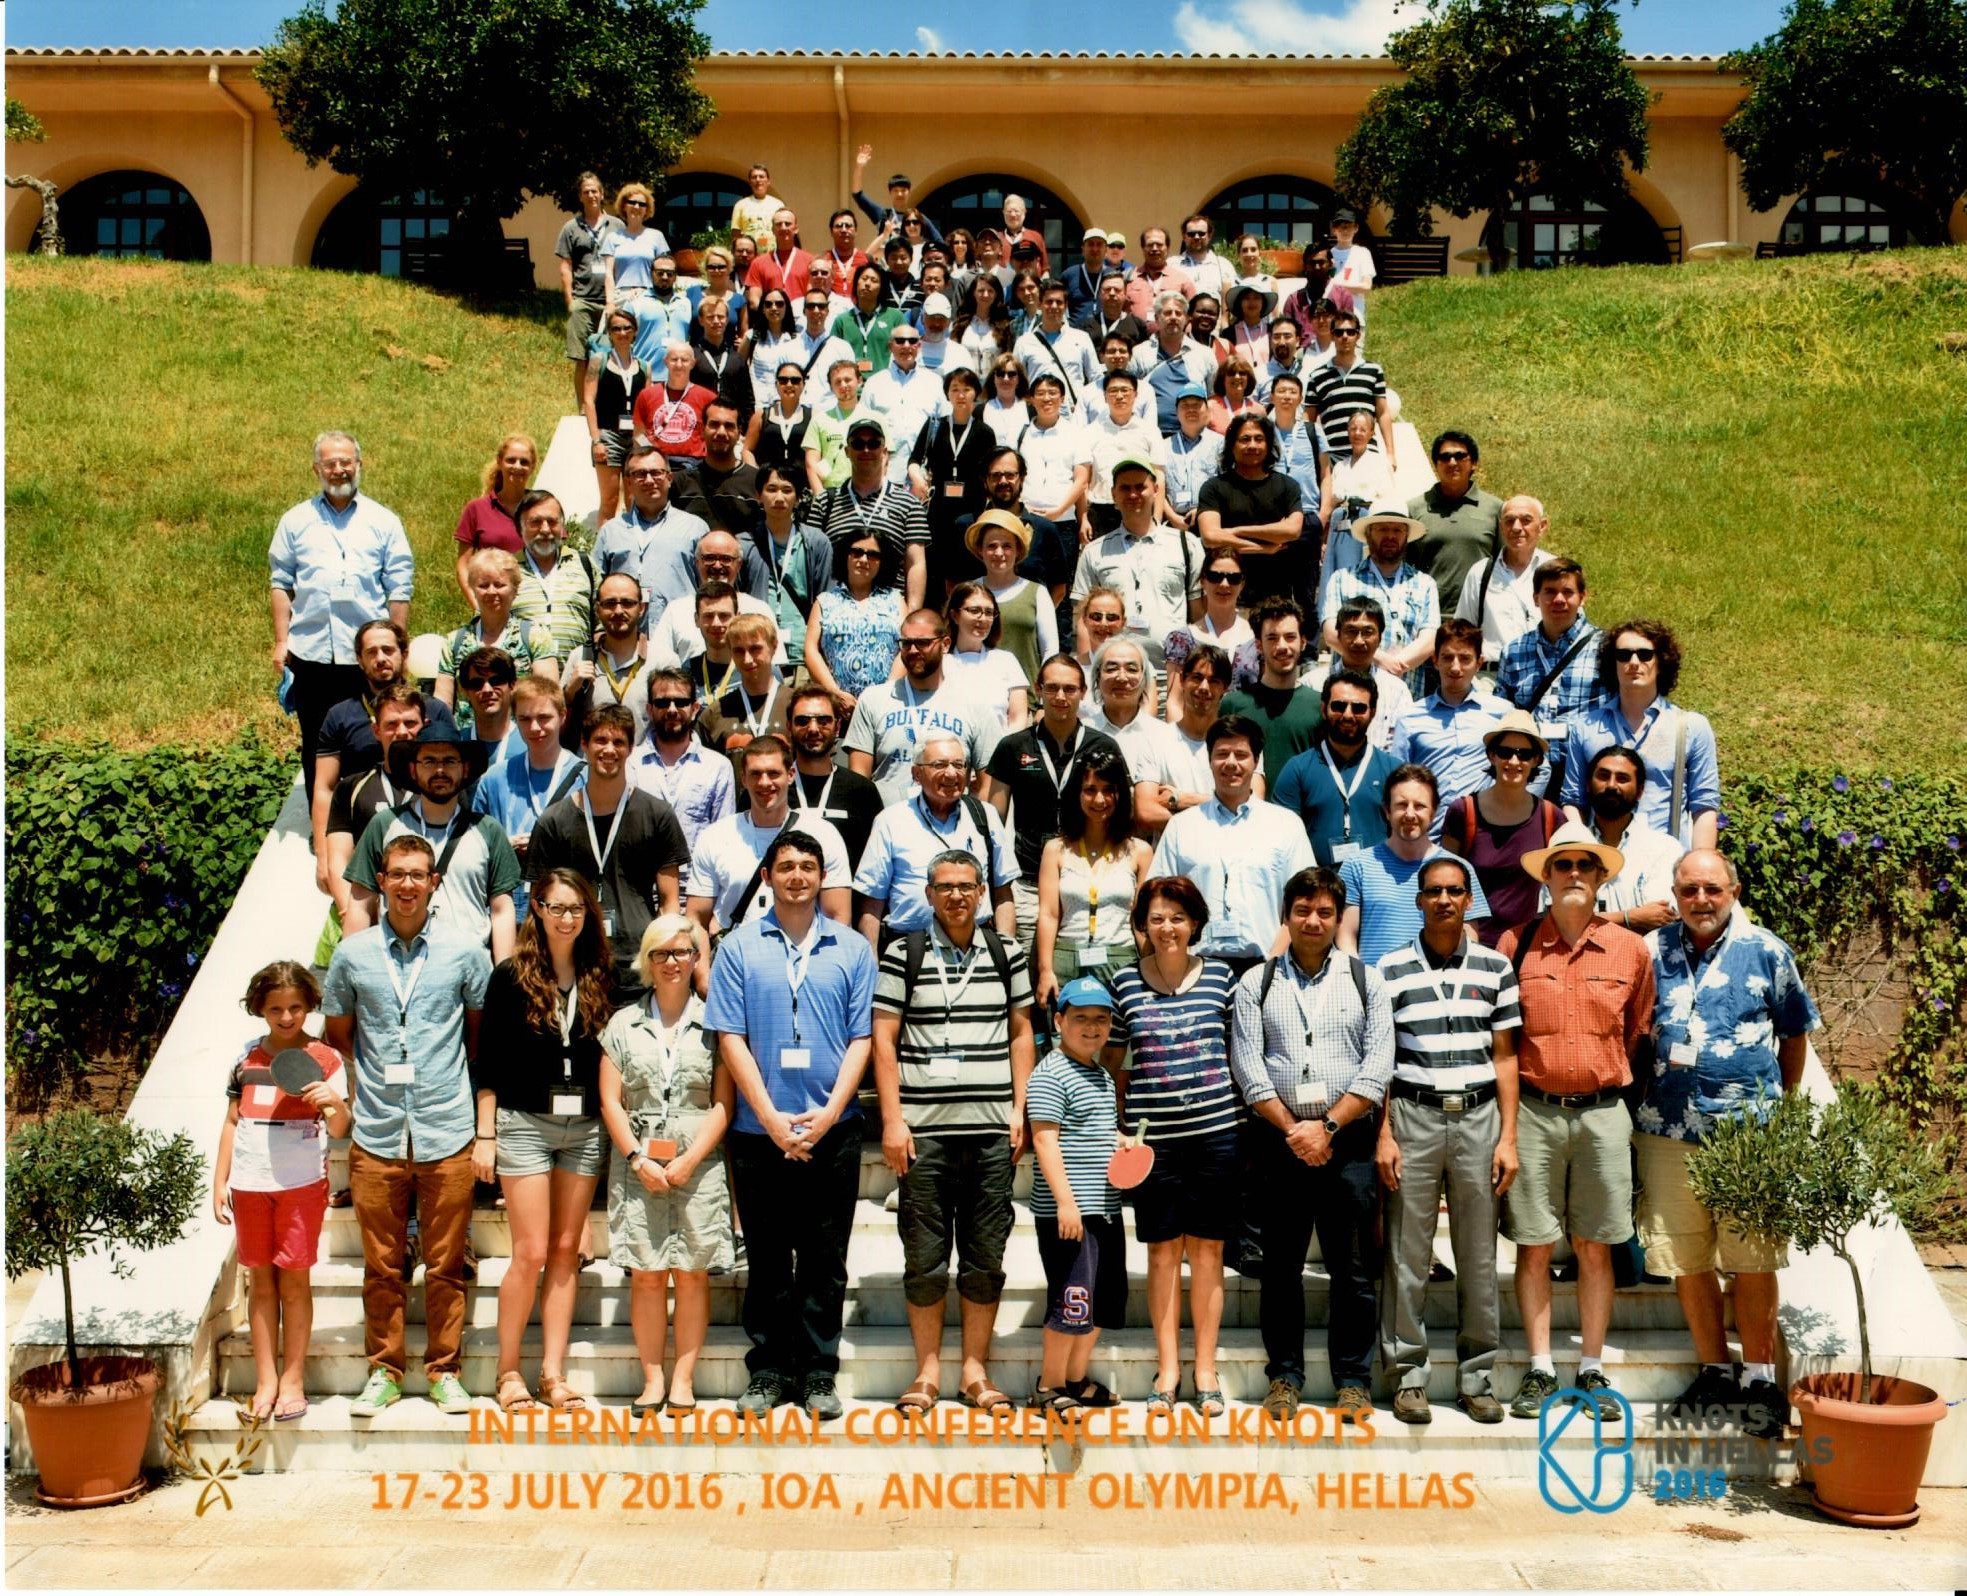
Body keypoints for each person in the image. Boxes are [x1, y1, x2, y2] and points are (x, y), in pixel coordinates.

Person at [1639, 850, 1820, 1438]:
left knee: (1753, 1258)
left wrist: (1782, 1108)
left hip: (1749, 1134)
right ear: (1675, 894)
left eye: (1712, 889)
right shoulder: (1651, 951)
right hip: (1667, 1129)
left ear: (1734, 891)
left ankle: (1761, 1380)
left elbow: (1794, 1033)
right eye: (1689, 889)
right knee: (1685, 1256)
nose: (1701, 900)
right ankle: (1715, 1371)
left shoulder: (1767, 951)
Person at [704, 829, 878, 1419]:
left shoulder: (852, 948)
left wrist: (827, 1116)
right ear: (767, 876)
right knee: (769, 1257)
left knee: (826, 1259)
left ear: (822, 876)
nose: (797, 876)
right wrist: (771, 1118)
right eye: (786, 867)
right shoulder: (737, 948)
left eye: (808, 866)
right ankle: (770, 1370)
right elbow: (731, 1037)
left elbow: (862, 1039)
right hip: (760, 1132)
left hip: (835, 1127)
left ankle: (819, 1372)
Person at [323, 833, 492, 1419]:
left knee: (446, 1264)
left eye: (418, 874)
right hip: (377, 1129)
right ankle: (384, 1371)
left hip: (447, 1127)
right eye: (397, 874)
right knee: (381, 1265)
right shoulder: (353, 954)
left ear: (434, 883)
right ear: (382, 881)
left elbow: (477, 1034)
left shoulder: (465, 951)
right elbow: (340, 1035)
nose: (407, 885)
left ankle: (445, 1372)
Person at [1497, 823, 1656, 1422]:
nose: (1572, 874)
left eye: (1584, 865)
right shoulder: (1516, 944)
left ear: (1601, 877)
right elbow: (1502, 1038)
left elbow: (1639, 1029)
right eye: (1561, 865)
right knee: (1535, 1245)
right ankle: (1540, 1368)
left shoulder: (1630, 950)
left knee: (1594, 1245)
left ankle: (1591, 1367)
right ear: (1545, 876)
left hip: (1603, 1114)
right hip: (1533, 1111)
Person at [874, 848, 1036, 1415]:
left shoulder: (1008, 952)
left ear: (982, 892)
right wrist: (892, 1119)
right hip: (924, 1134)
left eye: (967, 886)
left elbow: (1022, 1033)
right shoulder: (904, 953)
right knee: (924, 1257)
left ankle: (974, 1370)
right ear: (928, 894)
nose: (957, 896)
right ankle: (926, 1372)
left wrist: (1020, 1109)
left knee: (985, 1254)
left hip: (992, 1130)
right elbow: (884, 1038)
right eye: (945, 886)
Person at [1230, 868, 1392, 1423]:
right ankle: (1284, 1376)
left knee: (1352, 1268)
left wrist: (1327, 1127)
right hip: (1279, 1143)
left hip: (1348, 1143)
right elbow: (1248, 1067)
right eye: (1303, 910)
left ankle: (1353, 1380)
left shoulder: (1367, 981)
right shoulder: (1257, 983)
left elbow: (1377, 1067)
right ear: (1286, 915)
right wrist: (1294, 1130)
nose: (1313, 921)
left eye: (1325, 911)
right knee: (1281, 1267)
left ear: (1338, 917)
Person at [1374, 852, 1520, 1425]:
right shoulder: (1389, 969)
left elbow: (1505, 1057)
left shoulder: (1495, 967)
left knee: (1478, 1254)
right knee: (1406, 1252)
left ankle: (1477, 1377)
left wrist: (1508, 1138)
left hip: (1479, 1117)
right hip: (1412, 1114)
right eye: (1433, 891)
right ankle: (1408, 1376)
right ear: (1419, 900)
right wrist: (1384, 1133)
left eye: (1454, 891)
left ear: (1468, 899)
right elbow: (1381, 1059)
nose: (1444, 900)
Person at [472, 869, 614, 1414]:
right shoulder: (510, 975)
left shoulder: (600, 972)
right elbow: (489, 1062)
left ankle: (553, 1373)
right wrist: (486, 1134)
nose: (567, 918)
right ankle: (509, 1372)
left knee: (564, 1251)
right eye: (557, 907)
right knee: (529, 1251)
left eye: (576, 908)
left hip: (583, 1128)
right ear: (537, 908)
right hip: (525, 1122)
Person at [1104, 876, 1242, 1412]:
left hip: (1216, 1135)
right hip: (1152, 1143)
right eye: (1157, 918)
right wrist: (1116, 1125)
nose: (1167, 927)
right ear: (1142, 924)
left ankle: (1205, 1369)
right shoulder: (1124, 983)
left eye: (1178, 918)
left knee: (1207, 1252)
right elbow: (1113, 1063)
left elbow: (1239, 1054)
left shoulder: (1223, 979)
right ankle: (1168, 1369)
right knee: (1162, 1254)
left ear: (1195, 923)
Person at [596, 915, 733, 1418]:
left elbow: (724, 1103)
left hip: (699, 1164)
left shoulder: (716, 1023)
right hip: (639, 1166)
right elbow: (610, 1100)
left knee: (692, 1273)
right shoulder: (622, 1023)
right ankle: (652, 1378)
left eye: (681, 952)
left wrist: (691, 1159)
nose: (672, 962)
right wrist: (637, 1158)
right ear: (647, 961)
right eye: (661, 953)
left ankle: (683, 1380)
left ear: (696, 958)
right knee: (648, 1275)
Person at [213, 960, 350, 1422]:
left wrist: (333, 1103)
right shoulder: (246, 1058)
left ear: (310, 1005)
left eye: (295, 1007)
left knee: (294, 1283)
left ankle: (292, 1380)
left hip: (300, 1186)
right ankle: (265, 1382)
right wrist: (219, 1182)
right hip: (249, 1185)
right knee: (260, 1284)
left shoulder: (326, 1060)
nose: (286, 1017)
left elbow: (341, 1126)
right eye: (275, 1009)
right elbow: (232, 1122)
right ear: (260, 1009)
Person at [270, 431, 414, 795]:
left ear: (359, 465)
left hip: (368, 655)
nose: (339, 470)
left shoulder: (383, 521)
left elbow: (399, 587)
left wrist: (396, 645)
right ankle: (321, 820)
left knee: (373, 737)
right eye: (330, 463)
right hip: (312, 652)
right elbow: (281, 583)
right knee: (317, 741)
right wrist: (282, 641)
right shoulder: (295, 521)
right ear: (316, 469)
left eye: (346, 462)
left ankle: (373, 810)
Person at [528, 706, 690, 998]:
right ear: (584, 744)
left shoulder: (658, 815)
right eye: (600, 740)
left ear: (631, 749)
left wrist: (662, 960)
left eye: (618, 742)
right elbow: (538, 906)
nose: (609, 750)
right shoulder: (553, 821)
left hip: (638, 966)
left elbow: (670, 902)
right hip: (574, 966)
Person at [1026, 978, 1127, 1412]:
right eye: (1080, 1017)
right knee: (1072, 1299)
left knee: (1103, 1300)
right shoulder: (1050, 1073)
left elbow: (1098, 1132)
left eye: (1101, 1019)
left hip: (1105, 1208)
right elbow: (1044, 1140)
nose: (1092, 1027)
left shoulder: (1101, 1075)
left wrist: (1122, 1142)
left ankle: (1075, 1378)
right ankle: (1048, 1385)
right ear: (1059, 1021)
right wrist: (1066, 1203)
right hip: (1069, 1214)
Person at [982, 654, 1121, 962]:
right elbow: (993, 821)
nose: (1060, 696)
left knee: (1082, 964)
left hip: (1084, 879)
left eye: (1070, 689)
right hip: (1028, 881)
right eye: (1052, 687)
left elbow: (1120, 814)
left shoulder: (1103, 746)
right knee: (1030, 969)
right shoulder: (1013, 747)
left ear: (1083, 692)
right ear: (1038, 690)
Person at [1147, 715, 1315, 969]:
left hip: (1269, 966)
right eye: (1222, 754)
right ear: (1210, 760)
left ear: (1256, 761)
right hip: (1194, 969)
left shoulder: (1286, 825)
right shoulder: (1181, 827)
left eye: (1241, 755)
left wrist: (1273, 963)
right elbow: (1157, 899)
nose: (1231, 763)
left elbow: (1304, 903)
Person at [344, 724, 519, 963]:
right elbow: (360, 904)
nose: (439, 770)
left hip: (469, 969)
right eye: (429, 761)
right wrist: (352, 968)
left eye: (449, 761)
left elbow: (502, 910)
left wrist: (503, 975)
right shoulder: (385, 825)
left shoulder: (487, 830)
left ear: (465, 769)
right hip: (399, 966)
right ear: (413, 770)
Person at [308, 620, 458, 895]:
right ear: (359, 659)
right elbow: (324, 787)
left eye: (388, 650)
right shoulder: (339, 716)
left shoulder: (434, 710)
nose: (380, 658)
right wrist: (323, 855)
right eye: (371, 652)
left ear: (404, 654)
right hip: (361, 841)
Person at [1561, 620, 1722, 851]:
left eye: (1645, 654)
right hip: (1604, 858)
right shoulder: (1586, 727)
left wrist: (1699, 862)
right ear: (1613, 663)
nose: (1634, 662)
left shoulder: (1691, 727)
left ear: (1661, 661)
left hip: (1668, 860)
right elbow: (1574, 800)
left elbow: (1704, 805)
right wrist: (1582, 852)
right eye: (1624, 655)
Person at [855, 738, 1019, 946]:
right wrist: (871, 960)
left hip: (977, 946)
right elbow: (872, 903)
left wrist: (1006, 952)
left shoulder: (985, 816)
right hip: (910, 948)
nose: (951, 773)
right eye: (939, 765)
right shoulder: (890, 821)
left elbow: (1003, 894)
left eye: (958, 765)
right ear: (917, 774)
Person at [687, 736, 853, 934]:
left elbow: (837, 918)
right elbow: (696, 919)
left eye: (773, 774)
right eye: (755, 774)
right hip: (735, 950)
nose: (764, 782)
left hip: (804, 949)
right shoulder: (714, 837)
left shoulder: (824, 834)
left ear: (790, 775)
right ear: (743, 779)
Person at [1338, 764, 1493, 964]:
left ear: (1434, 812)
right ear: (1387, 810)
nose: (1410, 814)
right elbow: (1345, 937)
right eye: (1402, 805)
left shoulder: (1459, 869)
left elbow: (1469, 939)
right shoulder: (1357, 866)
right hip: (1374, 981)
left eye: (1419, 806)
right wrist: (1362, 978)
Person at [1034, 746, 1152, 1008]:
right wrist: (1045, 970)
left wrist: (1149, 969)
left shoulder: (1140, 852)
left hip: (1120, 959)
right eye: (1090, 790)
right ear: (1077, 793)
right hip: (1067, 958)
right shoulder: (1055, 850)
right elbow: (1049, 915)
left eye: (1109, 790)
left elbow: (1141, 921)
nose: (1100, 800)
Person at [844, 610, 1001, 803]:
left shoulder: (974, 704)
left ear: (945, 644)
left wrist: (981, 821)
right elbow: (858, 780)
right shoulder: (874, 699)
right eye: (906, 643)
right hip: (887, 819)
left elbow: (989, 785)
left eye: (923, 643)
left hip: (951, 819)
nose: (912, 650)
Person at [1440, 711, 1567, 947]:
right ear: (1492, 756)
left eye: (1524, 754)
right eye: (1505, 752)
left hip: (1527, 947)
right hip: (1468, 946)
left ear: (1536, 760)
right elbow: (1443, 880)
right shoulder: (1463, 812)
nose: (1514, 762)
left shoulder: (1551, 818)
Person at [1072, 459, 1199, 668]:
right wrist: (1088, 670)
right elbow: (1083, 620)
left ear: (1156, 490)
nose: (1133, 495)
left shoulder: (1186, 545)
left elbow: (1198, 613)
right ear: (1113, 494)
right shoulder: (1094, 551)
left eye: (1140, 487)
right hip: (1115, 673)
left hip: (1172, 672)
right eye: (1125, 488)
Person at [1494, 558, 1606, 791]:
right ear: (1536, 598)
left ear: (1582, 597)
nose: (1559, 599)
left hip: (1586, 770)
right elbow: (1502, 713)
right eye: (1550, 592)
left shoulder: (1605, 648)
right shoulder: (1514, 652)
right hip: (1529, 773)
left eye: (1568, 592)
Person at [1273, 669, 1402, 868]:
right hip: (1314, 884)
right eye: (1339, 706)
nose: (1348, 715)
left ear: (1373, 712)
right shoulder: (1297, 769)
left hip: (1375, 884)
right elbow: (1282, 840)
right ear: (1324, 709)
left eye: (1358, 708)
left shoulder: (1394, 771)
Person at [474, 679, 588, 902]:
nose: (535, 728)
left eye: (544, 718)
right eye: (525, 719)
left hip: (566, 904)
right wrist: (505, 846)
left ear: (563, 716)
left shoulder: (586, 778)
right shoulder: (494, 779)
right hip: (507, 903)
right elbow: (476, 845)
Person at [323, 685, 427, 926]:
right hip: (367, 915)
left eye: (410, 723)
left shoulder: (445, 789)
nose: (402, 732)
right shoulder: (350, 788)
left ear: (425, 725)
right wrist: (351, 914)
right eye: (391, 724)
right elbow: (338, 858)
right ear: (376, 730)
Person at [1388, 619, 1511, 817]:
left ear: (1479, 663)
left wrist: (1513, 812)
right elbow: (1397, 781)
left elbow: (1539, 769)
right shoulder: (1410, 717)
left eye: (1465, 659)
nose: (1455, 667)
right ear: (1435, 660)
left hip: (1484, 829)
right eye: (1447, 658)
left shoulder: (1501, 714)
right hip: (1428, 829)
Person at [1320, 499, 1440, 693]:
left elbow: (1429, 640)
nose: (1390, 536)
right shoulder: (1342, 579)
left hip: (1405, 693)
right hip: (1351, 696)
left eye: (1397, 530)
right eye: (1382, 529)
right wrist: (1380, 660)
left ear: (1406, 536)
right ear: (1368, 534)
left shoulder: (1425, 584)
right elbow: (1331, 634)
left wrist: (1395, 666)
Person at [813, 415, 930, 611]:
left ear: (884, 451)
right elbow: (812, 561)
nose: (866, 450)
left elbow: (915, 564)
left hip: (890, 612)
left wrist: (911, 614)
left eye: (873, 444)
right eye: (858, 444)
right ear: (847, 451)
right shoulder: (825, 502)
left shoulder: (909, 504)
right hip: (836, 611)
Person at [1198, 413, 1307, 610]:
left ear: (1269, 444)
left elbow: (1292, 531)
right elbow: (1211, 537)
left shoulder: (1287, 486)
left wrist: (1236, 531)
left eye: (1259, 439)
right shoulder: (1214, 487)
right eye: (1245, 439)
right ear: (1232, 445)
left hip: (1276, 599)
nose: (1252, 445)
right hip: (1229, 597)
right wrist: (1264, 548)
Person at [622, 667, 737, 850]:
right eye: (662, 703)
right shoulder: (629, 763)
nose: (672, 710)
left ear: (695, 709)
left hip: (697, 868)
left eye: (681, 702)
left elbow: (723, 838)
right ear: (650, 710)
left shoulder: (718, 767)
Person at [1218, 597, 1324, 789]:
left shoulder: (1320, 706)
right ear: (1259, 645)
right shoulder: (1233, 705)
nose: (1282, 646)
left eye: (1290, 637)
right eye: (1272, 638)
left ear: (1303, 642)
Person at [910, 368, 995, 599]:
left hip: (971, 512)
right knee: (936, 573)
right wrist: (917, 477)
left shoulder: (984, 432)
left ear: (976, 393)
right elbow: (914, 460)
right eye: (955, 389)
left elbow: (989, 472)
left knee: (967, 571)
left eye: (966, 389)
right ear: (947, 393)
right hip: (938, 511)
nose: (960, 395)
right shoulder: (935, 426)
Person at [782, 685, 886, 874]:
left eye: (823, 721)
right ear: (789, 727)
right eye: (803, 721)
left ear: (837, 727)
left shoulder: (862, 791)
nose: (813, 729)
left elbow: (876, 864)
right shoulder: (772, 789)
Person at [1580, 745, 1684, 932]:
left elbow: (1660, 918)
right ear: (1588, 784)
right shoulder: (1571, 848)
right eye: (1603, 776)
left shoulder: (1664, 849)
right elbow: (1560, 921)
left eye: (1622, 778)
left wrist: (1590, 921)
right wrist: (1630, 917)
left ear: (1640, 791)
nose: (1611, 785)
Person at [806, 531, 906, 717]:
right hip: (838, 709)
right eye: (857, 552)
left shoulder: (895, 599)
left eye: (873, 555)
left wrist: (886, 694)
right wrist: (834, 693)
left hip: (886, 707)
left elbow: (906, 646)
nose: (864, 559)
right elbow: (811, 650)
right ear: (845, 555)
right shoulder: (824, 601)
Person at [1456, 495, 1554, 670]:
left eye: (1526, 520)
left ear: (1542, 526)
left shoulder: (1556, 571)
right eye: (1509, 521)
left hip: (1542, 674)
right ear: (1501, 527)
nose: (1516, 527)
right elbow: (1462, 632)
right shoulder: (1481, 573)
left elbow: (1573, 627)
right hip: (1489, 677)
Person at [1406, 430, 1503, 606]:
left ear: (1473, 463)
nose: (1452, 462)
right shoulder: (1414, 509)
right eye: (1445, 457)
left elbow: (1506, 562)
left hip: (1479, 613)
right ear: (1436, 464)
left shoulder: (1495, 508)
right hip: (1428, 612)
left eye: (1460, 456)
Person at [438, 551, 537, 720]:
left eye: (499, 585)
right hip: (467, 734)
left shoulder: (534, 636)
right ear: (473, 590)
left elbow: (545, 697)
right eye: (483, 585)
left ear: (515, 589)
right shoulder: (454, 642)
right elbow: (442, 704)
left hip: (520, 734)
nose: (491, 592)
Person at [560, 574, 653, 746]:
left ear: (641, 608)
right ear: (597, 609)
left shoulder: (662, 660)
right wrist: (569, 693)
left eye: (627, 603)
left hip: (643, 762)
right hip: (589, 761)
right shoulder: (580, 657)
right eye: (610, 603)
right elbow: (556, 726)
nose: (618, 611)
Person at [583, 311, 656, 527]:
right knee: (610, 500)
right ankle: (604, 544)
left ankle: (633, 539)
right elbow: (588, 401)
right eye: (616, 328)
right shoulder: (599, 361)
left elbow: (647, 407)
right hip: (608, 436)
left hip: (635, 437)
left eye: (627, 328)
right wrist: (596, 440)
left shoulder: (644, 366)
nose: (622, 333)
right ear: (609, 333)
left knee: (635, 498)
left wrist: (646, 441)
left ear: (635, 332)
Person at [967, 510, 1058, 681]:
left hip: (1027, 692)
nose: (999, 553)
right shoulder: (967, 593)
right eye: (991, 546)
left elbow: (1050, 651)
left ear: (1018, 550)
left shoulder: (1037, 593)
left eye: (1007, 546)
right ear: (980, 550)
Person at [556, 173, 621, 412]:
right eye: (586, 191)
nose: (591, 195)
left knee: (614, 356)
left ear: (602, 194)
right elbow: (565, 266)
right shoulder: (571, 228)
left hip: (611, 302)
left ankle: (609, 407)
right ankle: (583, 408)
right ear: (580, 196)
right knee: (582, 358)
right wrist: (570, 300)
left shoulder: (617, 226)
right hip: (583, 300)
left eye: (595, 191)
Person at [510, 491, 596, 671]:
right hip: (523, 681)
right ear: (519, 528)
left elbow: (603, 619)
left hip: (579, 678)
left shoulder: (584, 564)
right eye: (535, 522)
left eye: (552, 521)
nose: (545, 529)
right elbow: (488, 626)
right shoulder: (507, 570)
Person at [861, 324, 950, 494]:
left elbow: (945, 425)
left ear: (919, 345)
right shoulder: (874, 384)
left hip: (925, 473)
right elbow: (863, 428)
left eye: (912, 341)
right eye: (900, 341)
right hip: (886, 473)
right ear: (890, 346)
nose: (906, 345)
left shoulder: (934, 382)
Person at [452, 435, 536, 606]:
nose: (517, 466)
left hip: (534, 601)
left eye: (524, 462)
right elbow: (463, 564)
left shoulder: (541, 507)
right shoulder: (476, 509)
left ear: (532, 467)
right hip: (492, 601)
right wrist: (478, 606)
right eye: (511, 460)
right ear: (499, 461)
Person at [1082, 635, 1183, 776]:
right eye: (1111, 668)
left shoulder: (1164, 736)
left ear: (1144, 678)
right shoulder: (1082, 733)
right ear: (1098, 676)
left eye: (1131, 669)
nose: (1122, 678)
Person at [1306, 311, 1394, 467]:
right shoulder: (1317, 376)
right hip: (1332, 456)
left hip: (1367, 453)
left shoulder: (1374, 371)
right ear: (1332, 336)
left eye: (1350, 332)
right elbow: (1308, 421)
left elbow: (1383, 414)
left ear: (1358, 335)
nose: (1345, 336)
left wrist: (1390, 453)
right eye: (1339, 332)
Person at [697, 614, 791, 759]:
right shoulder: (714, 714)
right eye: (739, 651)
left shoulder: (796, 705)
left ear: (774, 646)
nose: (747, 659)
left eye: (755, 649)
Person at [1320, 409, 1395, 586]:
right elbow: (1331, 503)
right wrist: (1324, 539)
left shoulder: (1379, 463)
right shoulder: (1340, 466)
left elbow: (1387, 500)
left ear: (1371, 433)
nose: (1357, 433)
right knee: (1338, 576)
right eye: (1353, 429)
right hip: (1340, 524)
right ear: (1348, 431)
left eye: (1363, 429)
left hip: (1365, 523)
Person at [941, 583, 1029, 728]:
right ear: (955, 615)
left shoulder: (1006, 661)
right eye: (974, 611)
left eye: (989, 612)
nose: (982, 619)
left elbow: (1018, 718)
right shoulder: (940, 662)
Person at [1130, 293, 1216, 439]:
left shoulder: (1204, 354)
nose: (1173, 317)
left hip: (1193, 436)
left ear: (1187, 318)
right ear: (1157, 318)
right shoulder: (1139, 353)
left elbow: (1213, 396)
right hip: (1150, 436)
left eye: (1178, 313)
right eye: (1168, 313)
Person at [668, 399, 759, 533]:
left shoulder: (756, 481)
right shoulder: (681, 482)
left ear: (739, 432)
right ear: (702, 430)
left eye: (729, 426)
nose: (721, 432)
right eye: (714, 425)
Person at [1014, 277, 1099, 412]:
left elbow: (1096, 377)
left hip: (1074, 415)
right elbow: (1016, 383)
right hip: (1038, 415)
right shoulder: (1024, 343)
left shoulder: (1081, 338)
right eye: (1049, 302)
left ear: (1065, 306)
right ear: (1039, 304)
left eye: (1059, 302)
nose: (1054, 306)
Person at [1161, 547, 1251, 668]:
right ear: (1203, 581)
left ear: (1242, 584)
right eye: (1215, 577)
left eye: (1233, 578)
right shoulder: (1181, 640)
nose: (1224, 584)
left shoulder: (1257, 637)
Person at [443, 645, 523, 756]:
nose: (487, 690)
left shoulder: (530, 744)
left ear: (513, 685)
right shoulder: (453, 747)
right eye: (477, 684)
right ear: (465, 691)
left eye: (496, 681)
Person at [601, 182, 667, 311]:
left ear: (647, 209)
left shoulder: (657, 236)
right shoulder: (612, 238)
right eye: (632, 202)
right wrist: (610, 302)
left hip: (649, 296)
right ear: (624, 206)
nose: (636, 206)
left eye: (642, 204)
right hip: (620, 297)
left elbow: (664, 271)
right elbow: (608, 273)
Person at [834, 262, 907, 377]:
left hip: (885, 382)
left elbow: (905, 351)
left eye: (874, 280)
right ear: (856, 283)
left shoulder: (895, 317)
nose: (867, 283)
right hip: (850, 384)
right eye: (864, 279)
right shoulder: (842, 320)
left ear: (881, 288)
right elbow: (833, 356)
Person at [749, 360, 817, 481]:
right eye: (783, 380)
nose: (789, 385)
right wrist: (757, 475)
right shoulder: (761, 415)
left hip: (802, 483)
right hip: (769, 483)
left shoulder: (814, 416)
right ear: (776, 384)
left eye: (795, 380)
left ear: (803, 384)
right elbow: (747, 450)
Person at [1124, 227, 1196, 321]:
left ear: (1167, 248)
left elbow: (1193, 314)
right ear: (1143, 248)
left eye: (1159, 245)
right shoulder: (1129, 278)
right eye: (1150, 245)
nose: (1154, 248)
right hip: (1134, 330)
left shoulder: (1182, 280)